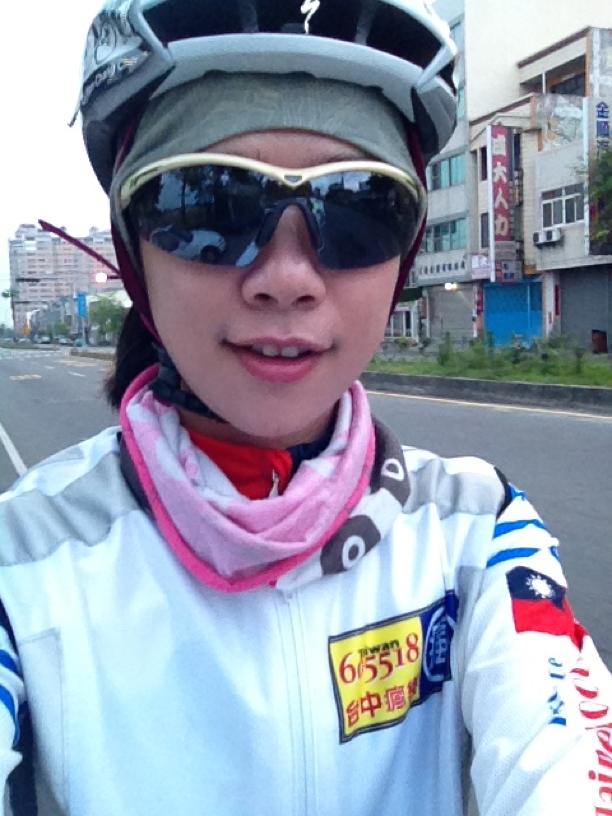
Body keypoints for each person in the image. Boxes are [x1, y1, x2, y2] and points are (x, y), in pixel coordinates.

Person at [1, 1, 611, 814]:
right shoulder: (22, 562)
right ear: (133, 248)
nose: (286, 278)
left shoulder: (477, 528)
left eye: (359, 209)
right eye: (210, 206)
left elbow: (565, 762)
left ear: (404, 254)